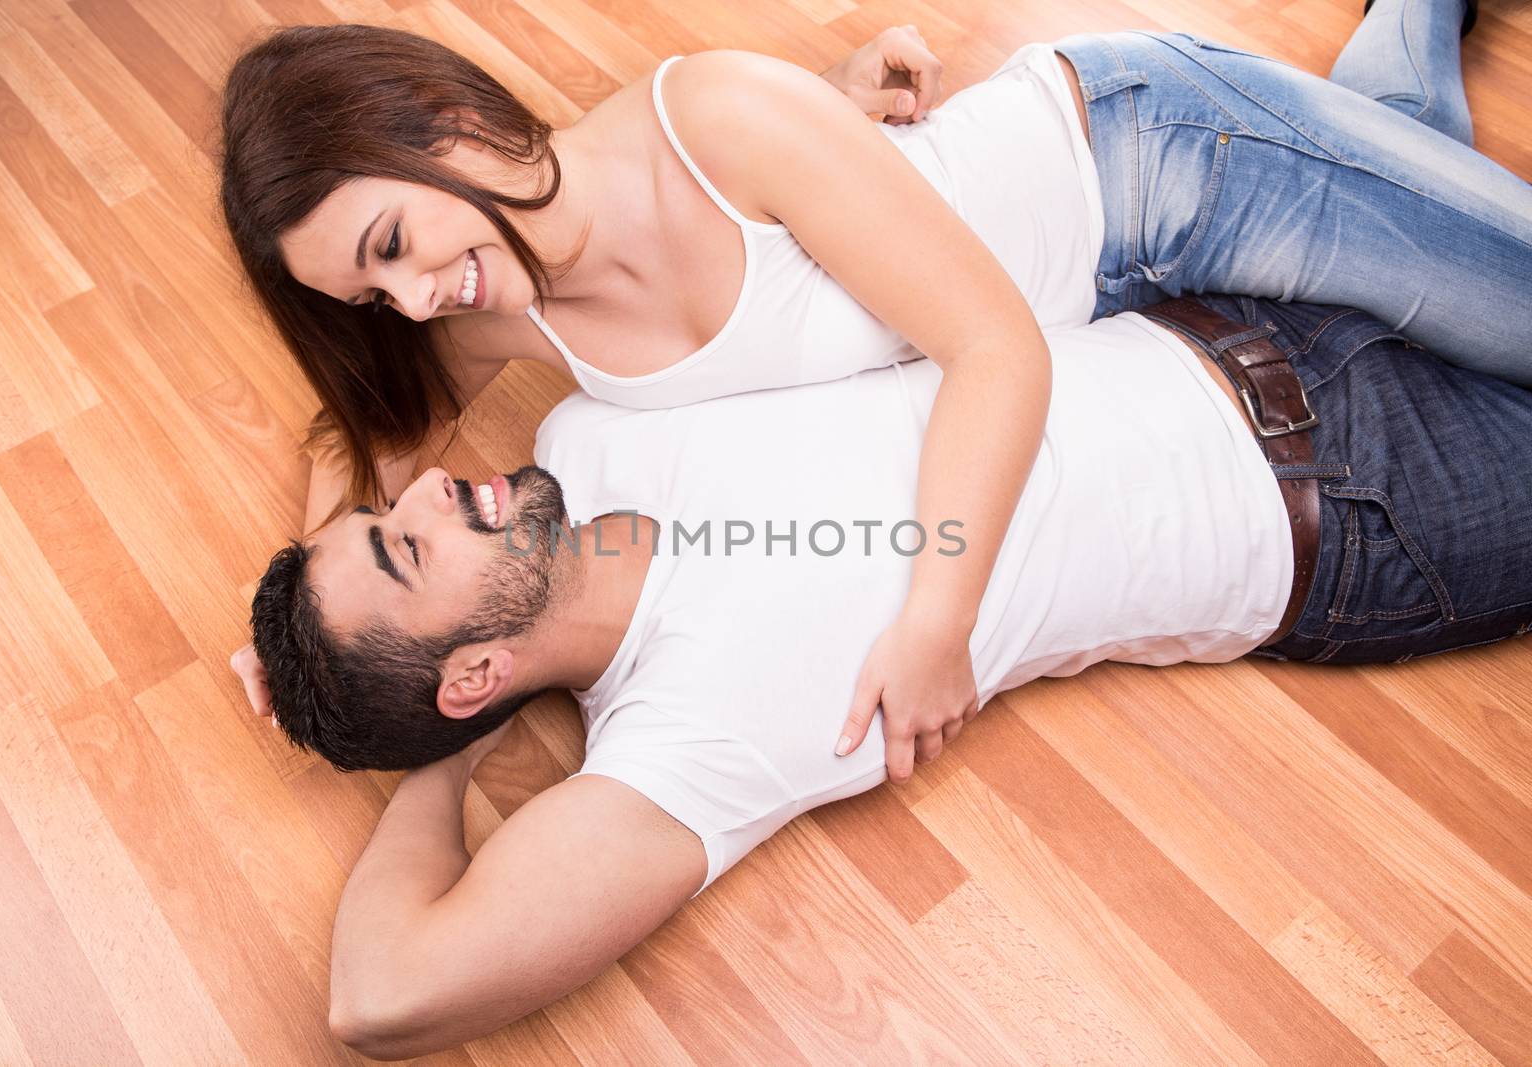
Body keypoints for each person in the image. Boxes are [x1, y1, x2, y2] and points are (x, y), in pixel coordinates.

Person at [222, 0, 1532, 779]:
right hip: (1114, 300)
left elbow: (996, 350)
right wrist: (299, 632)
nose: (412, 299)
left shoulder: (714, 121)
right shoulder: (497, 311)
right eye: (367, 295)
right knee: (1421, 201)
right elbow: (371, 438)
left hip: (1161, 162)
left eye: (392, 245)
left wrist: (935, 617)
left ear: (442, 128)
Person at [248, 291, 1532, 1057]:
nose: (427, 489)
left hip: (1212, 305)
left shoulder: (591, 428)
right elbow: (380, 994)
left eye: (389, 515)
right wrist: (440, 752)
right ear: (472, 671)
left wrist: (333, 584)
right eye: (408, 544)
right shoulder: (684, 741)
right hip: (1354, 503)